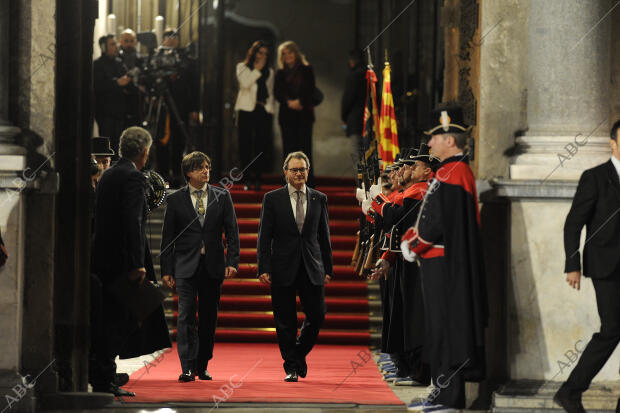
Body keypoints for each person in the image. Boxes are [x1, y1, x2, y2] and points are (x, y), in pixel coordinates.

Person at [400, 107, 487, 412]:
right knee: (437, 328)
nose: (430, 145)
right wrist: (414, 240)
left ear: (449, 140)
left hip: (442, 264)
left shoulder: (453, 172)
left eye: (435, 140)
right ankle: (439, 392)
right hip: (437, 264)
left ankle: (449, 398)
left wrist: (415, 243)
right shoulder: (449, 171)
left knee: (446, 328)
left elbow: (437, 223)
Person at [91, 126, 162, 397]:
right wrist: (137, 263)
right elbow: (133, 223)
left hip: (103, 258)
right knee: (123, 319)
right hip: (122, 262)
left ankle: (102, 372)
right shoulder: (132, 177)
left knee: (109, 318)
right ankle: (103, 375)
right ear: (144, 151)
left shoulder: (108, 174)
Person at [554, 119, 620, 413]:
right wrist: (572, 264)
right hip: (606, 265)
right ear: (613, 143)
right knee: (612, 329)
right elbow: (573, 223)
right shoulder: (595, 177)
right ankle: (570, 390)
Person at [160, 151, 240, 382]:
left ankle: (202, 364)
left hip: (213, 265)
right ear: (188, 173)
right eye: (200, 168)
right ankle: (187, 366)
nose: (206, 171)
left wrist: (232, 261)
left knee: (208, 317)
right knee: (185, 316)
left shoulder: (222, 196)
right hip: (185, 266)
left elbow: (232, 232)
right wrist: (166, 270)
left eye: (207, 167)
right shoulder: (175, 199)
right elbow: (168, 238)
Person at [257, 151, 333, 382]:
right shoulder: (272, 199)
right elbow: (264, 236)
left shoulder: (319, 198)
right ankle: (291, 366)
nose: (299, 173)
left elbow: (324, 236)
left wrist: (328, 268)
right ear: (285, 172)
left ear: (308, 172)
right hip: (282, 266)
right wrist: (263, 267)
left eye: (302, 169)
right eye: (294, 170)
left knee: (317, 314)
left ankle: (297, 354)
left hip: (312, 265)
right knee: (285, 320)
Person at [369, 145, 437, 387]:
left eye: (412, 166)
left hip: (415, 261)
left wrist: (377, 200)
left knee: (413, 317)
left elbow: (395, 221)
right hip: (402, 258)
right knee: (403, 315)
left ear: (428, 171)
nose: (402, 172)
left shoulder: (420, 191)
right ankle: (407, 366)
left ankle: (417, 370)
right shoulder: (413, 191)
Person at [154, 29, 199, 188]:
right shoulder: (157, 57)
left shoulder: (186, 59)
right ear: (163, 39)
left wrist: (194, 108)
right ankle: (162, 176)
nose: (172, 40)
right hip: (162, 106)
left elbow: (194, 86)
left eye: (175, 37)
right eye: (168, 37)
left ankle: (177, 175)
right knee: (162, 142)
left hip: (182, 107)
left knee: (179, 142)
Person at [274, 41, 316, 186]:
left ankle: (308, 183)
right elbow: (277, 93)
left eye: (290, 52)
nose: (287, 56)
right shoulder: (280, 73)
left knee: (305, 149)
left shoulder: (306, 69)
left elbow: (311, 90)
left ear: (295, 53)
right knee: (289, 150)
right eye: (284, 54)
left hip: (304, 115)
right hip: (287, 115)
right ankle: (289, 182)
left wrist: (300, 102)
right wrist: (289, 102)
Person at [234, 40, 275, 191]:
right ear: (254, 52)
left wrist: (269, 108)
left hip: (262, 110)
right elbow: (245, 84)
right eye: (260, 52)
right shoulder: (242, 67)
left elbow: (270, 92)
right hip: (246, 110)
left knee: (260, 145)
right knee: (245, 144)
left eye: (265, 54)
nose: (262, 56)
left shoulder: (269, 71)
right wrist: (257, 70)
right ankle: (246, 178)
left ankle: (258, 177)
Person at [94, 35, 131, 157]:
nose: (116, 47)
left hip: (120, 111)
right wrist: (116, 83)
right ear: (104, 47)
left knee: (119, 145)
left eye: (116, 44)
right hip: (105, 112)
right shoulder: (97, 65)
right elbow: (98, 85)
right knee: (107, 145)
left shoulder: (120, 63)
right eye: (112, 44)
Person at [341, 48, 366, 160]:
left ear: (352, 61)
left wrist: (343, 117)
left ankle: (360, 178)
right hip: (369, 121)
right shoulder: (370, 75)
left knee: (356, 154)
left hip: (355, 120)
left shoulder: (353, 76)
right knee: (368, 156)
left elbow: (348, 99)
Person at [118, 28, 143, 128]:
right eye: (126, 41)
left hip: (137, 100)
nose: (129, 44)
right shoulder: (116, 58)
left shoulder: (140, 59)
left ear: (135, 42)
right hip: (121, 100)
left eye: (131, 41)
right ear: (121, 41)